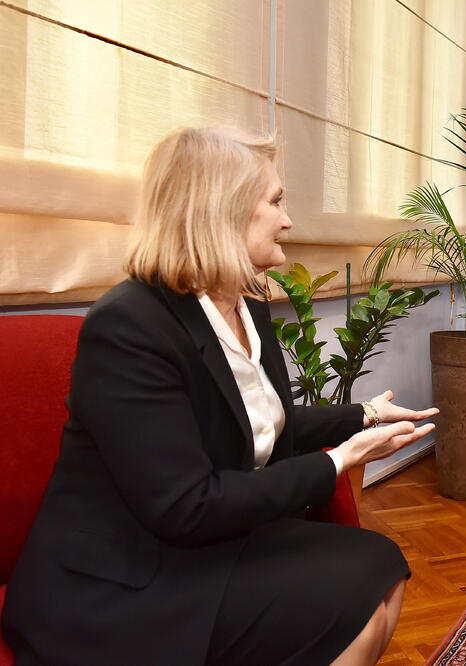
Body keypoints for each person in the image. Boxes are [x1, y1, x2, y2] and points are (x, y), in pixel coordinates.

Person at [2, 127, 438, 666]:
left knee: (380, 565)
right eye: (275, 201)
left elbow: (257, 424)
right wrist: (337, 462)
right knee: (355, 593)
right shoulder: (129, 325)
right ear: (223, 211)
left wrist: (365, 415)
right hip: (127, 580)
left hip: (207, 543)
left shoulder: (245, 307)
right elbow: (185, 507)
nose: (288, 219)